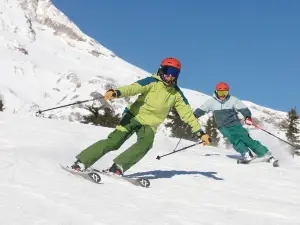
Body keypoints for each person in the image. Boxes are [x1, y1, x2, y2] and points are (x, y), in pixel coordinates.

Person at [69, 57, 212, 175]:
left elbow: (187, 114)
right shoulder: (152, 82)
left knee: (145, 144)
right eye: (168, 71)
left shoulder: (176, 94)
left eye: (174, 73)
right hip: (133, 117)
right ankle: (81, 162)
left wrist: (200, 133)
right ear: (161, 70)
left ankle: (118, 167)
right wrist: (116, 92)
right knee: (114, 142)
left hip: (150, 125)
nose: (170, 76)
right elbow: (134, 88)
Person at [194, 82, 275, 163]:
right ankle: (246, 153)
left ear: (228, 92)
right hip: (223, 126)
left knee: (246, 138)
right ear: (216, 92)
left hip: (235, 124)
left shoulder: (232, 100)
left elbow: (243, 109)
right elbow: (201, 110)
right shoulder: (211, 102)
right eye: (220, 92)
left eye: (224, 93)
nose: (222, 95)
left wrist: (247, 117)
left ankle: (265, 153)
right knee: (233, 139)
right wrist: (193, 117)